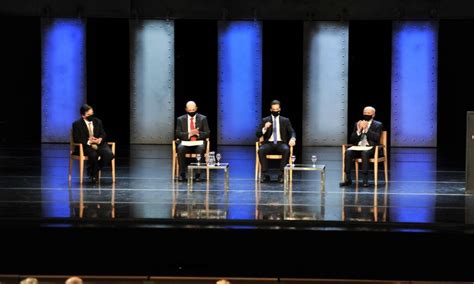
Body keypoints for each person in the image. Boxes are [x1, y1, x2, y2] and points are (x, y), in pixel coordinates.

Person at [340, 106, 383, 187]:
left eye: (368, 113)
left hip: (370, 148)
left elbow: (376, 138)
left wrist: (366, 130)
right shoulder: (357, 124)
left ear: (373, 115)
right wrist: (359, 130)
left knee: (365, 153)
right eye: (365, 113)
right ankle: (348, 179)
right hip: (358, 147)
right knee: (348, 152)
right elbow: (352, 140)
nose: (366, 114)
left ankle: (365, 180)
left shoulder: (378, 125)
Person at [72, 104, 114, 183]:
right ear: (83, 115)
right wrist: (89, 141)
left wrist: (99, 139)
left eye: (92, 114)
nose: (91, 116)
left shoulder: (98, 121)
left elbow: (103, 133)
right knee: (93, 155)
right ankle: (94, 174)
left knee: (109, 155)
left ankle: (93, 170)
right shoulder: (76, 124)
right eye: (88, 115)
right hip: (86, 146)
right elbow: (76, 138)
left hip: (99, 144)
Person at [256, 100, 296, 183]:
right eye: (273, 109)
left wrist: (293, 138)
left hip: (280, 143)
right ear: (271, 109)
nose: (275, 111)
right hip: (269, 143)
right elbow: (258, 134)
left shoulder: (285, 120)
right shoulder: (265, 120)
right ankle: (265, 174)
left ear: (280, 109)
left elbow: (292, 132)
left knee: (286, 149)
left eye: (277, 109)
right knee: (261, 150)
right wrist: (265, 128)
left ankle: (281, 174)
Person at [175, 101, 210, 182]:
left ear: (196, 108)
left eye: (193, 110)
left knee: (200, 149)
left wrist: (198, 134)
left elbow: (207, 133)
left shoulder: (203, 118)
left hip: (198, 142)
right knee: (180, 148)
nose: (192, 112)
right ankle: (182, 174)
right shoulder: (180, 119)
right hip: (186, 142)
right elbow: (178, 133)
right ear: (186, 109)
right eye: (190, 110)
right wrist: (189, 134)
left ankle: (198, 174)